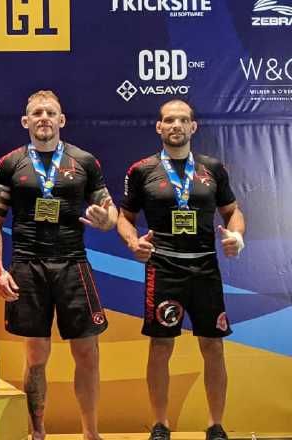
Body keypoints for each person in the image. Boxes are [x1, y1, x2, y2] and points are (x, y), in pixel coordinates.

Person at [0, 90, 116, 440]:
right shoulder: (9, 164)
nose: (43, 117)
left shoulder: (84, 161)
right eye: (36, 113)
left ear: (61, 120)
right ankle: (38, 432)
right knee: (36, 357)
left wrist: (106, 220)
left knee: (88, 354)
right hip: (28, 265)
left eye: (50, 112)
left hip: (73, 263)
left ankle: (91, 433)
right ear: (25, 122)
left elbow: (110, 210)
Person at [117, 99, 245, 440]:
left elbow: (233, 212)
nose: (176, 125)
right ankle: (161, 424)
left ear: (193, 127)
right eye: (169, 120)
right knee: (160, 347)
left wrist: (236, 236)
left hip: (205, 268)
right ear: (159, 127)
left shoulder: (213, 169)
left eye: (183, 120)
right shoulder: (141, 170)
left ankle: (215, 425)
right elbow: (124, 218)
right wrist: (133, 243)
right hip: (163, 269)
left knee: (213, 347)